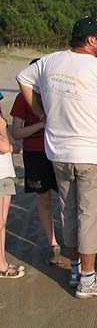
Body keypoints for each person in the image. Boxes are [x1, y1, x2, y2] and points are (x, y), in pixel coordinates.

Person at [16, 16, 97, 299]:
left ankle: (75, 269)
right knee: (91, 215)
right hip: (90, 154)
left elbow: (23, 78)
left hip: (58, 152)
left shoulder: (50, 61)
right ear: (91, 40)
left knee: (69, 211)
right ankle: (87, 278)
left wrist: (41, 112)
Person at [11, 58, 60, 265]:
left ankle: (75, 239)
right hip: (35, 153)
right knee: (44, 198)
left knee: (69, 197)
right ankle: (53, 244)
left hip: (59, 151)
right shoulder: (23, 98)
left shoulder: (56, 92)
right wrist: (40, 126)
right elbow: (16, 132)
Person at [0, 116, 24, 278]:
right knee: (0, 222)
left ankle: (2, 262)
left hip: (6, 173)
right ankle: (1, 265)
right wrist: (2, 128)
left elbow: (13, 146)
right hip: (1, 175)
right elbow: (5, 146)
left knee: (3, 222)